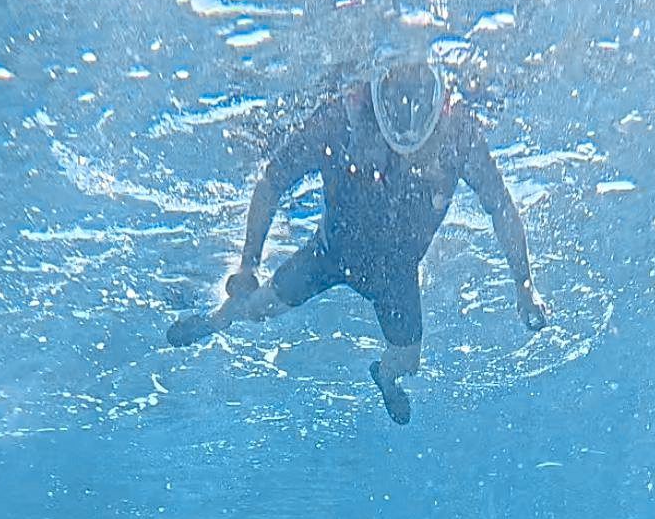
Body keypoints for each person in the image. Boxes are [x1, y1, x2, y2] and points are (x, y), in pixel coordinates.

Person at [167, 51, 550, 424]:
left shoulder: (460, 134)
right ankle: (218, 319)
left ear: (441, 109)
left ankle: (385, 377)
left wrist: (524, 284)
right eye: (387, 146)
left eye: (421, 149)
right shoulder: (339, 118)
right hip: (329, 253)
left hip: (393, 274)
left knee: (406, 361)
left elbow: (501, 207)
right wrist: (247, 264)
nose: (404, 155)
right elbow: (271, 182)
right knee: (255, 308)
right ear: (371, 105)